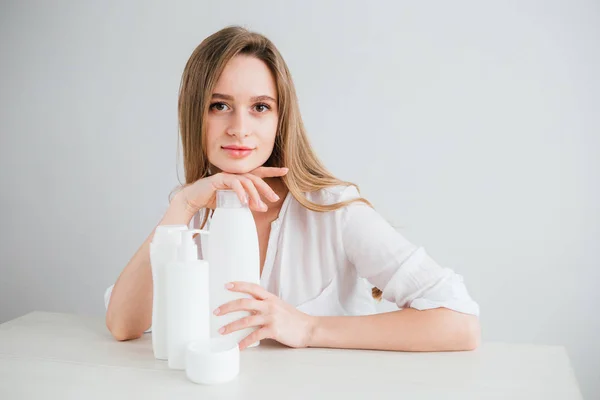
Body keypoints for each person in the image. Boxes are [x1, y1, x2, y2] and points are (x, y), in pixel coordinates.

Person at [105, 25, 480, 351]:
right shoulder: (191, 211)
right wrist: (183, 205)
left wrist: (308, 327)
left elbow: (460, 323)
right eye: (219, 106)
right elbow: (123, 325)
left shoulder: (334, 209)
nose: (239, 127)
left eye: (260, 107)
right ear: (194, 114)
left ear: (281, 119)